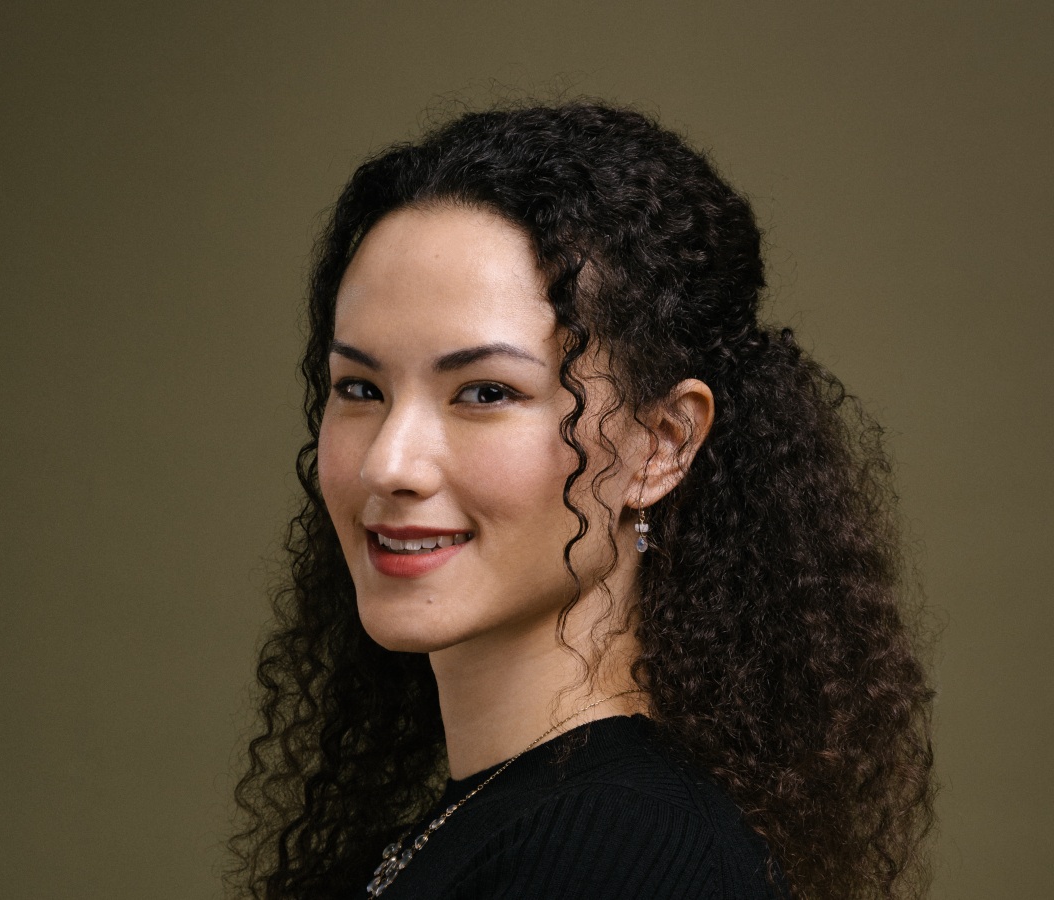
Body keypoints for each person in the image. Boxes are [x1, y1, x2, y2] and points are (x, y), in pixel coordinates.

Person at [230, 103, 935, 900]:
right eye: (360, 387)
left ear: (664, 442)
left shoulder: (618, 854)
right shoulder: (502, 822)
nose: (389, 462)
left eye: (485, 392)